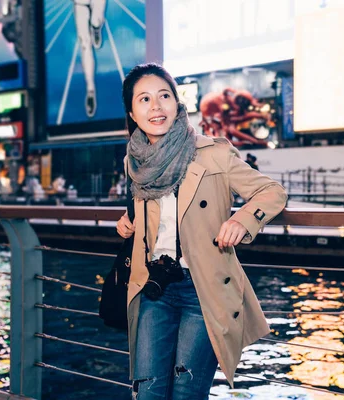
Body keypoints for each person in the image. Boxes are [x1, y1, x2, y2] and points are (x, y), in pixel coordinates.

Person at [115, 63, 287, 400]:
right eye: (144, 99)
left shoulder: (213, 153)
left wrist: (243, 220)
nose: (156, 106)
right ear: (133, 114)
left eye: (164, 96)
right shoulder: (135, 161)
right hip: (154, 286)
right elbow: (158, 208)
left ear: (177, 104)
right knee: (148, 391)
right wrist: (128, 217)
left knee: (186, 392)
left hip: (202, 287)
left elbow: (272, 192)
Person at [73, 0, 107, 118]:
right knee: (85, 44)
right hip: (80, 3)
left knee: (96, 20)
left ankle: (96, 27)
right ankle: (90, 89)